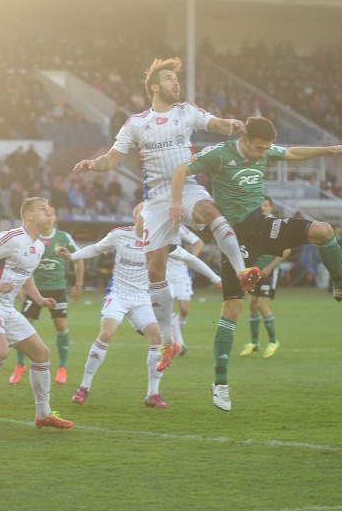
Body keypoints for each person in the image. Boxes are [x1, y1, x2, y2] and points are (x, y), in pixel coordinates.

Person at [170, 116, 342, 411]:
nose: (264, 154)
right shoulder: (219, 154)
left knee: (324, 231)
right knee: (232, 308)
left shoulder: (263, 150)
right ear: (245, 141)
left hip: (262, 226)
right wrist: (176, 202)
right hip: (233, 238)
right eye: (259, 148)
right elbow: (181, 169)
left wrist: (328, 149)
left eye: (267, 148)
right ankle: (220, 384)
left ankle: (341, 287)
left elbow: (291, 153)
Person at [73, 57, 261, 374]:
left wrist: (230, 125)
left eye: (177, 78)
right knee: (156, 272)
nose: (176, 83)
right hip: (157, 199)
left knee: (210, 212)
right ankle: (170, 341)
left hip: (186, 186)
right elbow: (112, 159)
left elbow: (215, 123)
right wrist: (93, 165)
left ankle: (242, 272)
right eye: (170, 78)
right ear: (154, 86)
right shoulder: (135, 123)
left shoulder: (186, 112)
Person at [66, 203, 218, 409]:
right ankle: (84, 388)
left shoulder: (160, 241)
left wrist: (216, 279)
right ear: (134, 216)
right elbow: (96, 248)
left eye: (150, 215)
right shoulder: (120, 235)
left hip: (143, 298)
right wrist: (72, 256)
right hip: (118, 295)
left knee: (157, 336)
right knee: (107, 334)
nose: (145, 218)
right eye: (141, 214)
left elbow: (190, 259)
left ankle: (152, 394)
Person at [0, 197, 74, 435]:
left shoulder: (40, 245)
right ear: (30, 215)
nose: (49, 214)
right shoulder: (11, 237)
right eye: (44, 210)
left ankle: (43, 415)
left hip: (7, 308)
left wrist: (40, 299)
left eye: (50, 210)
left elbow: (27, 276)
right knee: (0, 352)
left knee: (41, 354)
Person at [9, 206, 84, 386]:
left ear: (55, 217)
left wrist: (78, 284)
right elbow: (20, 262)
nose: (49, 218)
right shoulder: (32, 238)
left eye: (52, 214)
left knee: (60, 325)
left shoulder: (63, 237)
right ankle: (20, 365)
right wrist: (21, 286)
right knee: (24, 325)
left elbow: (78, 257)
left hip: (57, 288)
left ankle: (62, 367)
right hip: (35, 288)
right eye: (46, 214)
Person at [240, 197, 291, 358]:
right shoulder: (254, 224)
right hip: (256, 270)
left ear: (271, 208)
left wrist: (270, 267)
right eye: (260, 205)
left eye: (266, 205)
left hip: (270, 270)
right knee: (253, 305)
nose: (262, 208)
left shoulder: (276, 225)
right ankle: (254, 343)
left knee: (262, 305)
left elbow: (287, 251)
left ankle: (273, 341)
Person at [166, 224, 222, 353]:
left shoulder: (178, 227)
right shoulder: (154, 226)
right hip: (165, 273)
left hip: (181, 272)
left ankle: (177, 331)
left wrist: (190, 259)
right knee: (170, 309)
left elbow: (199, 242)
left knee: (184, 310)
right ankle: (180, 343)